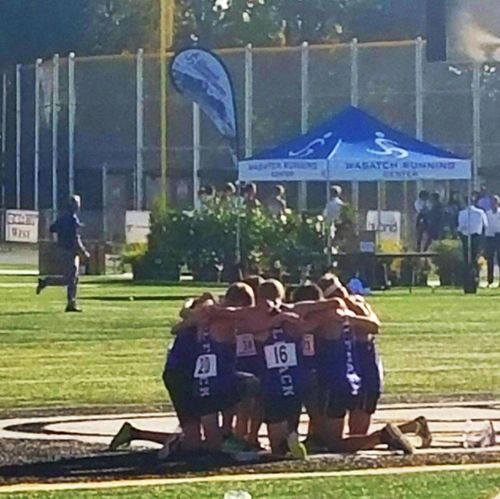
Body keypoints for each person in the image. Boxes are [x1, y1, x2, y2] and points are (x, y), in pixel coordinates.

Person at [36, 195, 90, 312]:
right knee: (70, 279)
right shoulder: (73, 219)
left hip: (62, 249)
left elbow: (52, 228)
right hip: (70, 251)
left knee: (72, 278)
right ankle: (47, 282)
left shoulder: (63, 218)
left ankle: (71, 302)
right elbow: (76, 238)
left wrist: (63, 233)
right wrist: (83, 251)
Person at [458, 197, 488, 281]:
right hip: (476, 236)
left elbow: (460, 227)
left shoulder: (462, 213)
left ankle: (468, 275)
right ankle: (475, 275)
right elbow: (485, 225)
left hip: (466, 236)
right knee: (475, 256)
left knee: (467, 257)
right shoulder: (480, 212)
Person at [485, 195, 500, 287]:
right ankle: (490, 280)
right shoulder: (487, 213)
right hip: (489, 236)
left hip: (499, 235)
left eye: (494, 202)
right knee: (490, 258)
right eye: (491, 202)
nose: (493, 204)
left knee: (499, 258)